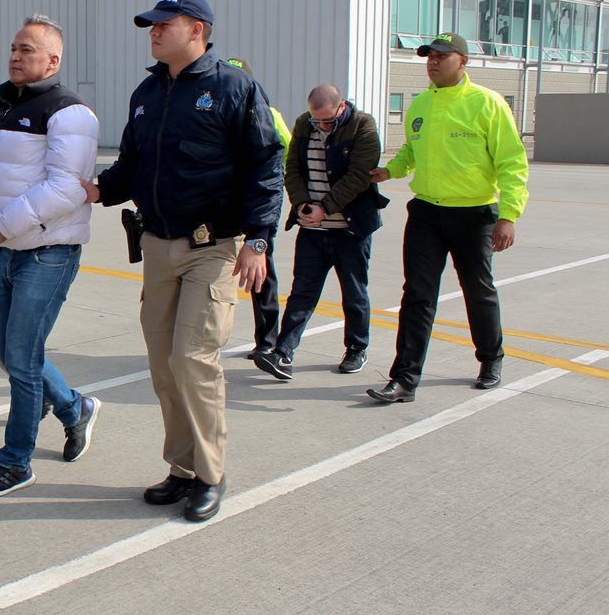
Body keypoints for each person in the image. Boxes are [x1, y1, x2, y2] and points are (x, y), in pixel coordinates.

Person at [83, 0, 283, 522]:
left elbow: (267, 165)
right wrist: (96, 190)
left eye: (163, 23)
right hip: (157, 246)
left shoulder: (234, 87)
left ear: (196, 29)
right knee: (162, 365)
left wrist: (259, 241)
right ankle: (182, 468)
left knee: (193, 360)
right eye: (151, 24)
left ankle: (212, 474)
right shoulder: (148, 92)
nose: (153, 30)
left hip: (211, 248)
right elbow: (131, 164)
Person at [0, 14, 101, 499]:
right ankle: (74, 408)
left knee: (20, 357)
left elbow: (66, 188)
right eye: (15, 47)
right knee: (17, 352)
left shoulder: (70, 112)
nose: (16, 56)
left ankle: (15, 461)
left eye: (28, 50)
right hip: (4, 248)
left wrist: (1, 227)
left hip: (48, 252)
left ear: (53, 60)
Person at [367, 33, 528, 403]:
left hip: (474, 214)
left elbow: (512, 162)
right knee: (418, 295)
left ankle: (490, 359)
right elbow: (411, 149)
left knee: (477, 290)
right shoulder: (421, 103)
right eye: (429, 56)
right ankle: (404, 378)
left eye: (442, 55)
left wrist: (509, 215)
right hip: (426, 212)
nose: (433, 62)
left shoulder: (487, 103)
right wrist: (389, 171)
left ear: (463, 61)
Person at [252, 84, 387, 381]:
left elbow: (359, 175)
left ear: (341, 108)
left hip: (351, 229)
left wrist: (325, 207)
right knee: (302, 292)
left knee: (354, 292)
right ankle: (283, 353)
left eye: (328, 120)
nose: (322, 125)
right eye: (317, 120)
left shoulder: (362, 125)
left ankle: (356, 348)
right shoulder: (304, 123)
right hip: (313, 229)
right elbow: (294, 167)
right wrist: (301, 204)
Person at [225, 58, 290, 360]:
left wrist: (278, 184)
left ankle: (267, 339)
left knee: (262, 275)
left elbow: (286, 150)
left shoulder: (268, 113)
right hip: (224, 207)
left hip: (253, 207)